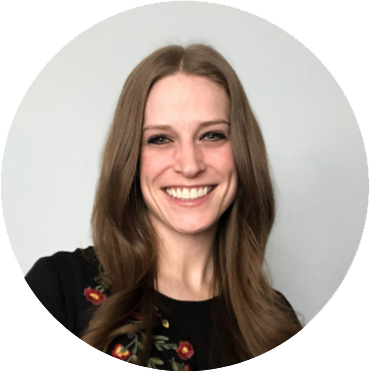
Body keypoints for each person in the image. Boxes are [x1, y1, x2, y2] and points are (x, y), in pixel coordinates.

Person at [25, 44, 302, 370]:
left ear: (243, 152)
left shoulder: (276, 320)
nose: (189, 165)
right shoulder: (58, 288)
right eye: (160, 139)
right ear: (131, 159)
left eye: (212, 135)